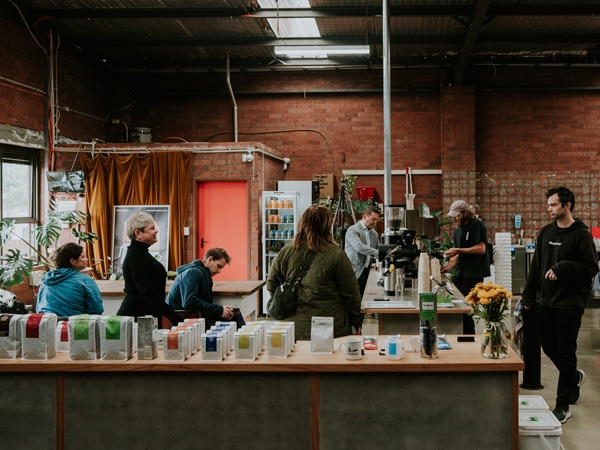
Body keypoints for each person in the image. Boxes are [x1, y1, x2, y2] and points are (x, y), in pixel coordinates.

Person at [522, 186, 598, 424]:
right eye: (549, 205)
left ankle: (563, 404)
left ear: (568, 205)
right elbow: (536, 268)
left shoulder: (581, 235)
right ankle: (573, 376)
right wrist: (527, 297)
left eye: (553, 205)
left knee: (566, 352)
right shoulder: (545, 233)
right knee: (548, 346)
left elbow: (590, 268)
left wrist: (563, 267)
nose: (549, 209)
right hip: (545, 301)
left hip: (569, 304)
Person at [267, 205, 363, 340]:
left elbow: (271, 284)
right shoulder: (336, 254)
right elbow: (351, 294)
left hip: (293, 328)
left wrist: (288, 300)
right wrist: (356, 321)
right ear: (327, 227)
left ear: (303, 223)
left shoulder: (286, 251)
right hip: (329, 327)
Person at [117, 212, 182, 328]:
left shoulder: (140, 254)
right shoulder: (136, 256)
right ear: (138, 233)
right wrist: (174, 316)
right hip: (136, 318)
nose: (156, 231)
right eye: (152, 228)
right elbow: (147, 291)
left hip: (145, 317)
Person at [441, 199, 491, 334]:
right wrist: (448, 267)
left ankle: (469, 336)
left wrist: (457, 250)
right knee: (455, 302)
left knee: (465, 307)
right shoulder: (458, 231)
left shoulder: (477, 226)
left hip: (474, 273)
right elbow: (457, 256)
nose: (454, 218)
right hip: (462, 272)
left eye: (456, 215)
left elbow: (481, 248)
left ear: (465, 213)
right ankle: (459, 333)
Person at [166, 247, 244, 328]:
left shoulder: (203, 274)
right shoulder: (192, 272)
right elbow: (189, 302)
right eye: (218, 266)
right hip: (185, 318)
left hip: (196, 314)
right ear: (210, 259)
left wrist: (221, 310)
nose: (219, 271)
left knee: (234, 313)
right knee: (235, 316)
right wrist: (219, 310)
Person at [36, 243, 104, 316]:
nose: (86, 259)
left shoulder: (46, 279)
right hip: (74, 325)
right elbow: (97, 309)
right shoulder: (85, 280)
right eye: (83, 257)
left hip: (47, 324)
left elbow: (39, 307)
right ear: (73, 261)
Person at [344, 206, 381, 298]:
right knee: (354, 300)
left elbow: (379, 249)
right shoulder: (352, 230)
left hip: (368, 271)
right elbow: (359, 247)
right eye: (373, 219)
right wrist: (379, 253)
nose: (375, 222)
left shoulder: (374, 233)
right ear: (365, 216)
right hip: (354, 271)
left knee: (366, 298)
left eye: (377, 220)